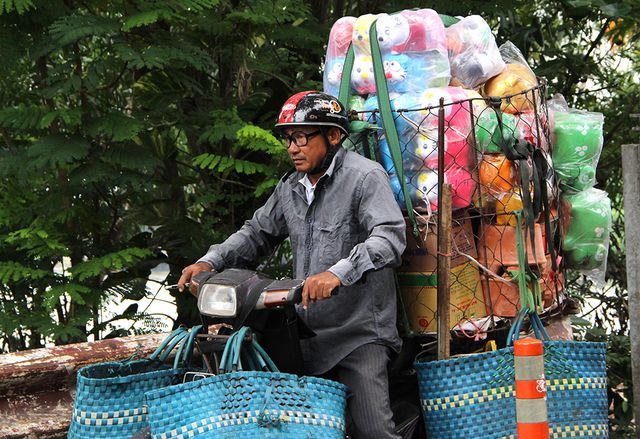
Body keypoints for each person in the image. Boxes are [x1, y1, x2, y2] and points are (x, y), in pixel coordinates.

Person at [178, 91, 406, 439]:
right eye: (288, 139)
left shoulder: (364, 177)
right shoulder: (290, 187)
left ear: (333, 135)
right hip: (304, 334)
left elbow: (388, 237)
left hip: (357, 334)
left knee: (373, 431)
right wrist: (209, 261)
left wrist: (337, 274)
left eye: (301, 137)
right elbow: (256, 233)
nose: (292, 148)